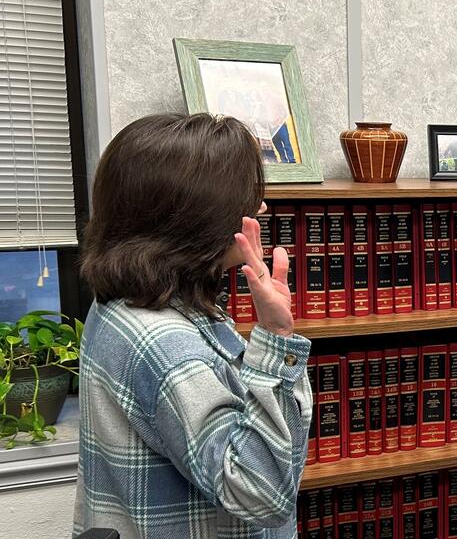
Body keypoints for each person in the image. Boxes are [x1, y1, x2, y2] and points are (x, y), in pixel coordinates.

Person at [75, 113, 312, 539]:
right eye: (243, 200)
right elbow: (262, 494)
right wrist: (277, 340)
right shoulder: (161, 342)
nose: (260, 208)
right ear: (198, 219)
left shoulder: (134, 300)